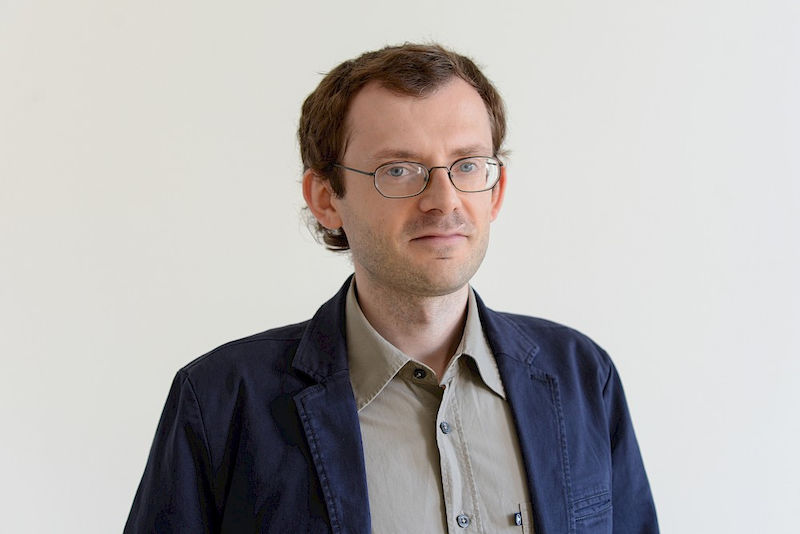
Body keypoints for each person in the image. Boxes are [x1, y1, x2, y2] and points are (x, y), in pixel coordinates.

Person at [125, 43, 658, 534]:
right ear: (326, 198)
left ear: (495, 192)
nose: (444, 200)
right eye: (399, 170)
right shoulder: (221, 400)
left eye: (468, 165)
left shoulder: (582, 376)